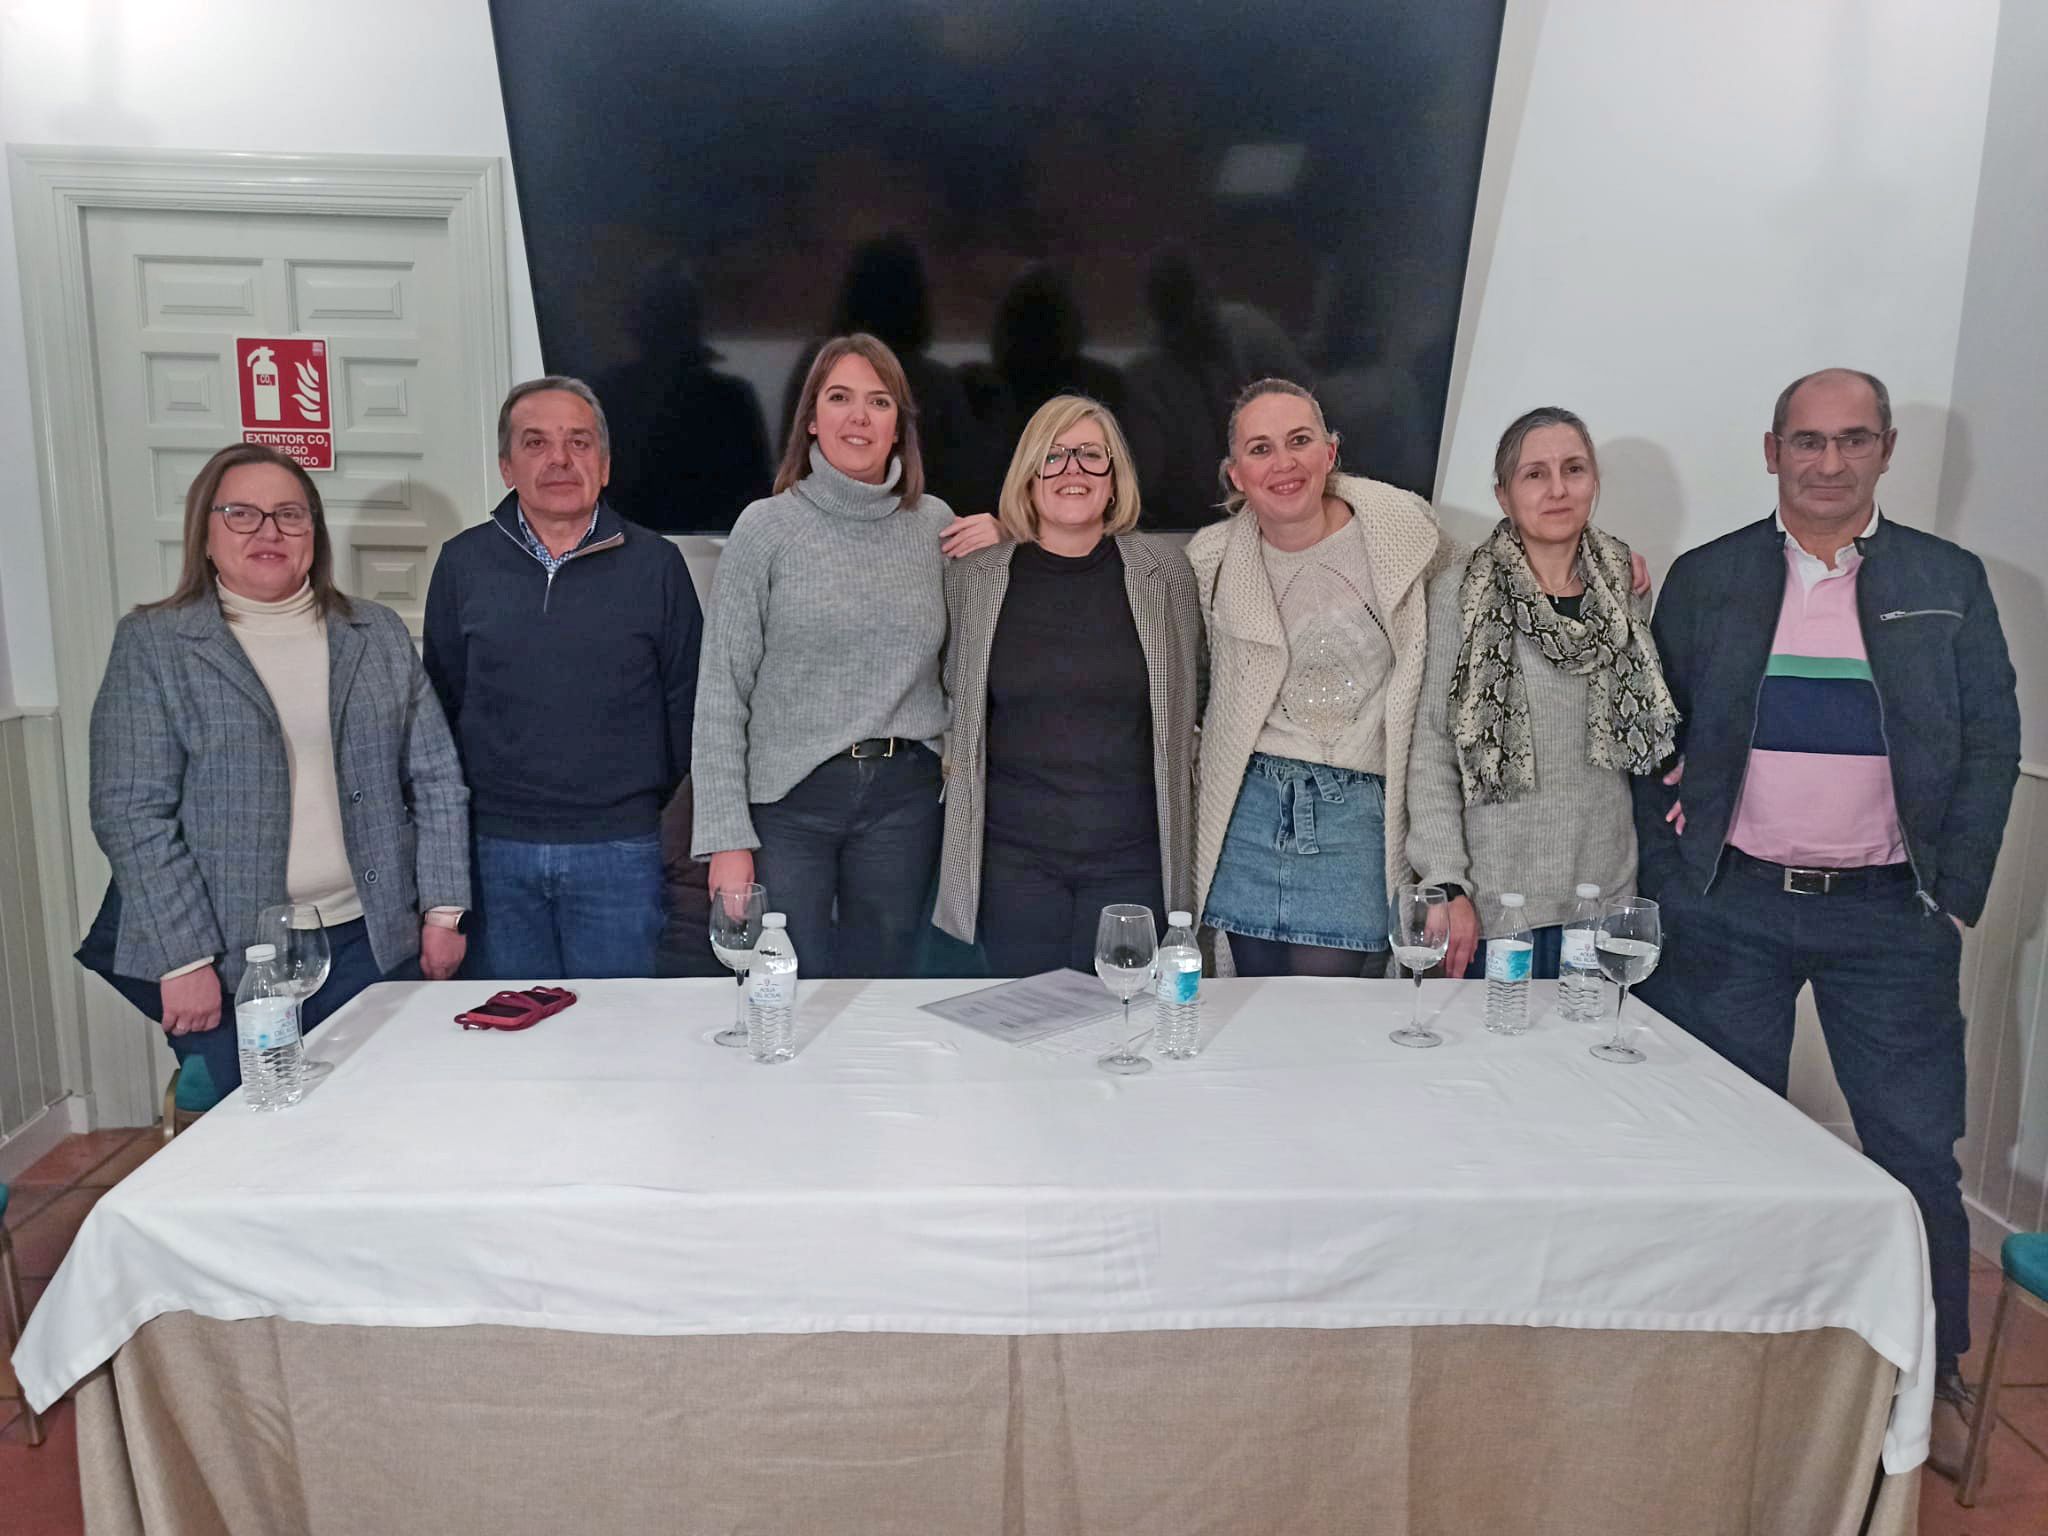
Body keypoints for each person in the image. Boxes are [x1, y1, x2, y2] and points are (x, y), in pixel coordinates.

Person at [1632, 367, 2020, 1475]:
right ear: (1769, 451)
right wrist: (1674, 869)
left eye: (1852, 441)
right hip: (1731, 909)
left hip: (1887, 919)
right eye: (1806, 441)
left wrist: (1952, 895)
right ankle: (1723, 1360)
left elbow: (1992, 744)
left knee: (1909, 1155)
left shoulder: (1945, 580)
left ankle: (1926, 1375)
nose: (1828, 462)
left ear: (1884, 451)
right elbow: (1652, 739)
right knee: (1717, 1147)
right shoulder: (1707, 580)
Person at [80, 444, 469, 1100]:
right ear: (205, 532)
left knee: (381, 1118)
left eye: (290, 515)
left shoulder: (372, 633)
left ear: (313, 535)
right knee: (258, 1140)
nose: (268, 532)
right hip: (231, 956)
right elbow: (129, 810)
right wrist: (183, 958)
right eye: (242, 514)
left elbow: (435, 777)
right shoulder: (156, 643)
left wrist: (443, 911)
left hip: (370, 941)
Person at [693, 334, 976, 977]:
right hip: (789, 804)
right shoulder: (765, 528)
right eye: (840, 397)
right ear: (812, 419)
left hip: (904, 800)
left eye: (879, 402)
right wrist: (725, 839)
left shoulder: (936, 525)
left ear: (898, 427)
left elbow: (967, 668)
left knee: (881, 993)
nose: (859, 416)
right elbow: (721, 693)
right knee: (785, 986)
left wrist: (1009, 532)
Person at [423, 377, 703, 980]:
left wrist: (639, 807)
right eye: (536, 443)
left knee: (618, 1040)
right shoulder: (462, 564)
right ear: (506, 466)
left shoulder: (657, 565)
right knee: (514, 1044)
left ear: (603, 466)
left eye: (579, 443)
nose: (559, 459)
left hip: (620, 847)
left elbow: (687, 703)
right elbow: (439, 707)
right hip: (495, 850)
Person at [1189, 378, 1458, 977]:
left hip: (1357, 817)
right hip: (1247, 810)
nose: (1282, 463)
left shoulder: (1404, 536)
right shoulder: (1209, 561)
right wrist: (1010, 532)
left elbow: (1488, 584)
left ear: (1330, 453)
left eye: (1299, 440)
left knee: (1329, 1018)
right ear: (1235, 474)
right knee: (1251, 1010)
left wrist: (1598, 555)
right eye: (1259, 449)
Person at [934, 395, 1201, 975]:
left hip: (1133, 860)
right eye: (1053, 457)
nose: (1073, 470)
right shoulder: (976, 579)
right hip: (1013, 863)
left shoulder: (1165, 575)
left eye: (1089, 456)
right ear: (1029, 479)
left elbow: (1191, 704)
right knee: (1027, 1035)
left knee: (1121, 1031)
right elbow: (954, 696)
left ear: (1114, 479)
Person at [1408, 408, 1678, 978]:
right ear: (1503, 494)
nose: (1557, 489)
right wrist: (1445, 880)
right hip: (1493, 901)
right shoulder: (1458, 593)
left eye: (1573, 469)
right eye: (1535, 474)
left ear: (1594, 482)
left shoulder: (1625, 588)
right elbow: (1433, 747)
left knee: (1585, 1063)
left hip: (1601, 898)